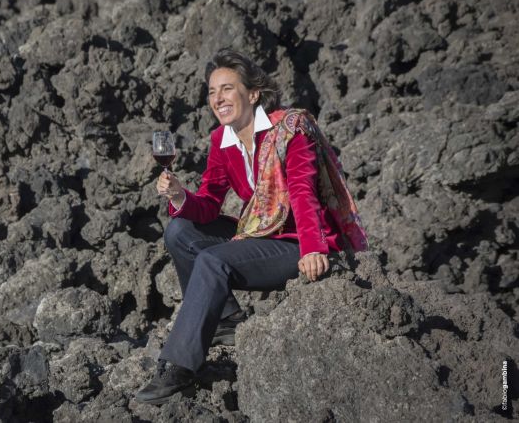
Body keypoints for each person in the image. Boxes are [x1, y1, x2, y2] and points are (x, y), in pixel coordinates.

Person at [134, 48, 367, 405]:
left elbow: (304, 193)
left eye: (227, 89)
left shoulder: (289, 130)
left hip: (295, 242)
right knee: (179, 231)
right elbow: (209, 204)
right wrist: (181, 196)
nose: (218, 99)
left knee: (214, 261)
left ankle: (178, 367)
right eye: (212, 92)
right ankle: (226, 320)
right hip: (259, 234)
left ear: (253, 93)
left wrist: (313, 249)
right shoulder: (221, 141)